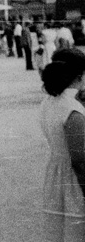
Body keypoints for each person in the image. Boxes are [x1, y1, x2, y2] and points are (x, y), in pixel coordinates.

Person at [39, 48, 85, 241]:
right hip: (75, 181)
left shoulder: (48, 101)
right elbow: (80, 160)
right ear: (80, 76)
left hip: (56, 175)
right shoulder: (72, 110)